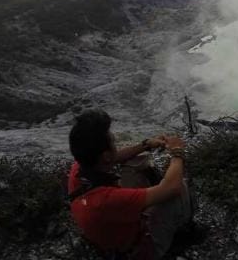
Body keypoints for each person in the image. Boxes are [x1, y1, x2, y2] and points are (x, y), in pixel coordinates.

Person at [68, 110, 194, 259]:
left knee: (135, 160)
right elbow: (171, 188)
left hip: (113, 230)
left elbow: (116, 157)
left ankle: (151, 201)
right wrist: (177, 152)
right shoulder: (105, 200)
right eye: (112, 141)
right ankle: (184, 231)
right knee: (180, 189)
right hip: (139, 250)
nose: (114, 141)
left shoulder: (80, 168)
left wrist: (146, 145)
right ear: (105, 155)